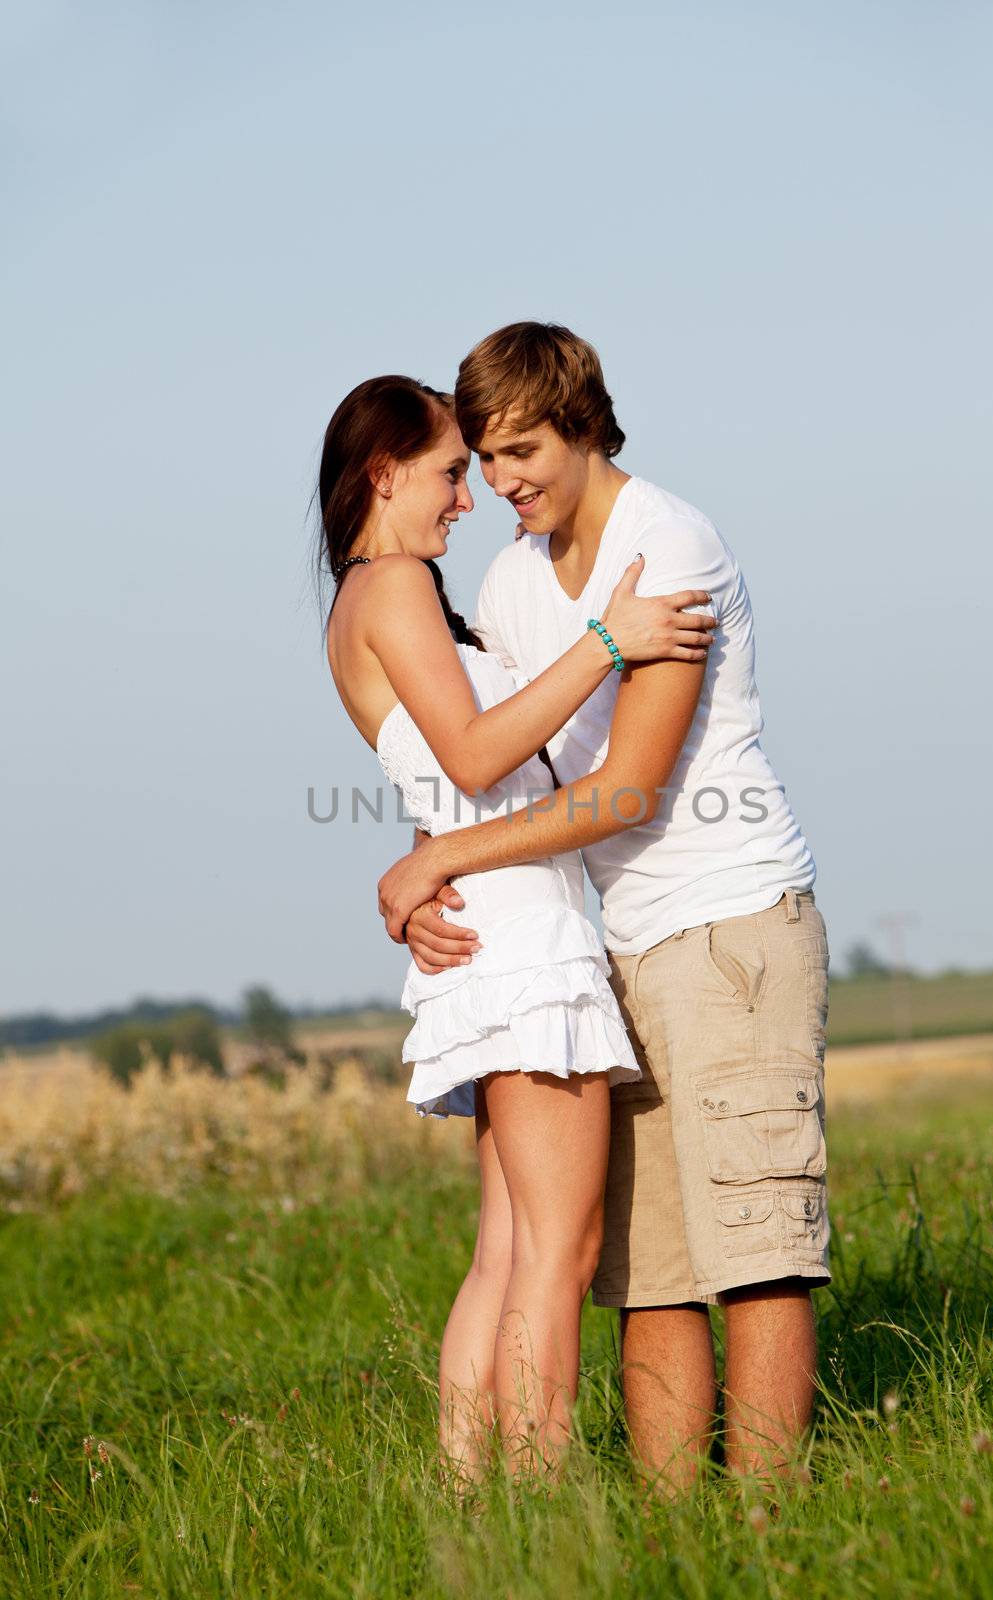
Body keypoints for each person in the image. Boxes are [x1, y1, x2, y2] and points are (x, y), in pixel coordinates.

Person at [377, 324, 832, 1492]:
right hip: (605, 950)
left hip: (724, 925)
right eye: (481, 458)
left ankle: (768, 1532)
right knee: (647, 1270)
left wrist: (440, 860)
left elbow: (625, 785)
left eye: (522, 448)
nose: (503, 479)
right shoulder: (510, 579)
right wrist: (430, 875)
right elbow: (495, 766)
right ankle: (678, 1531)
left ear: (581, 422)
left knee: (756, 1250)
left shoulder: (665, 543)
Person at [317, 373, 717, 1485]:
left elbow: (447, 777)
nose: (468, 499)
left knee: (504, 1250)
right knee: (558, 1251)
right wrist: (606, 639)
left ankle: (466, 1492)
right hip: (519, 940)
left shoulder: (364, 598)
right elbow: (476, 757)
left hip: (484, 930)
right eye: (451, 472)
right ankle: (543, 1496)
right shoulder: (394, 581)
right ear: (381, 472)